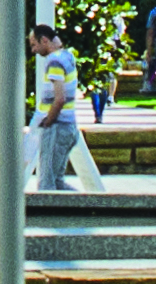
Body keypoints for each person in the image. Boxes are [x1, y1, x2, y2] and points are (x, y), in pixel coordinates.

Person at [27, 20, 101, 193]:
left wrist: (47, 121)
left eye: (34, 45)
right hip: (68, 126)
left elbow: (59, 98)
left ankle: (51, 218)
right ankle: (84, 209)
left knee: (46, 185)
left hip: (56, 128)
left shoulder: (54, 61)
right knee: (57, 182)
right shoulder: (67, 56)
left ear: (44, 40)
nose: (33, 51)